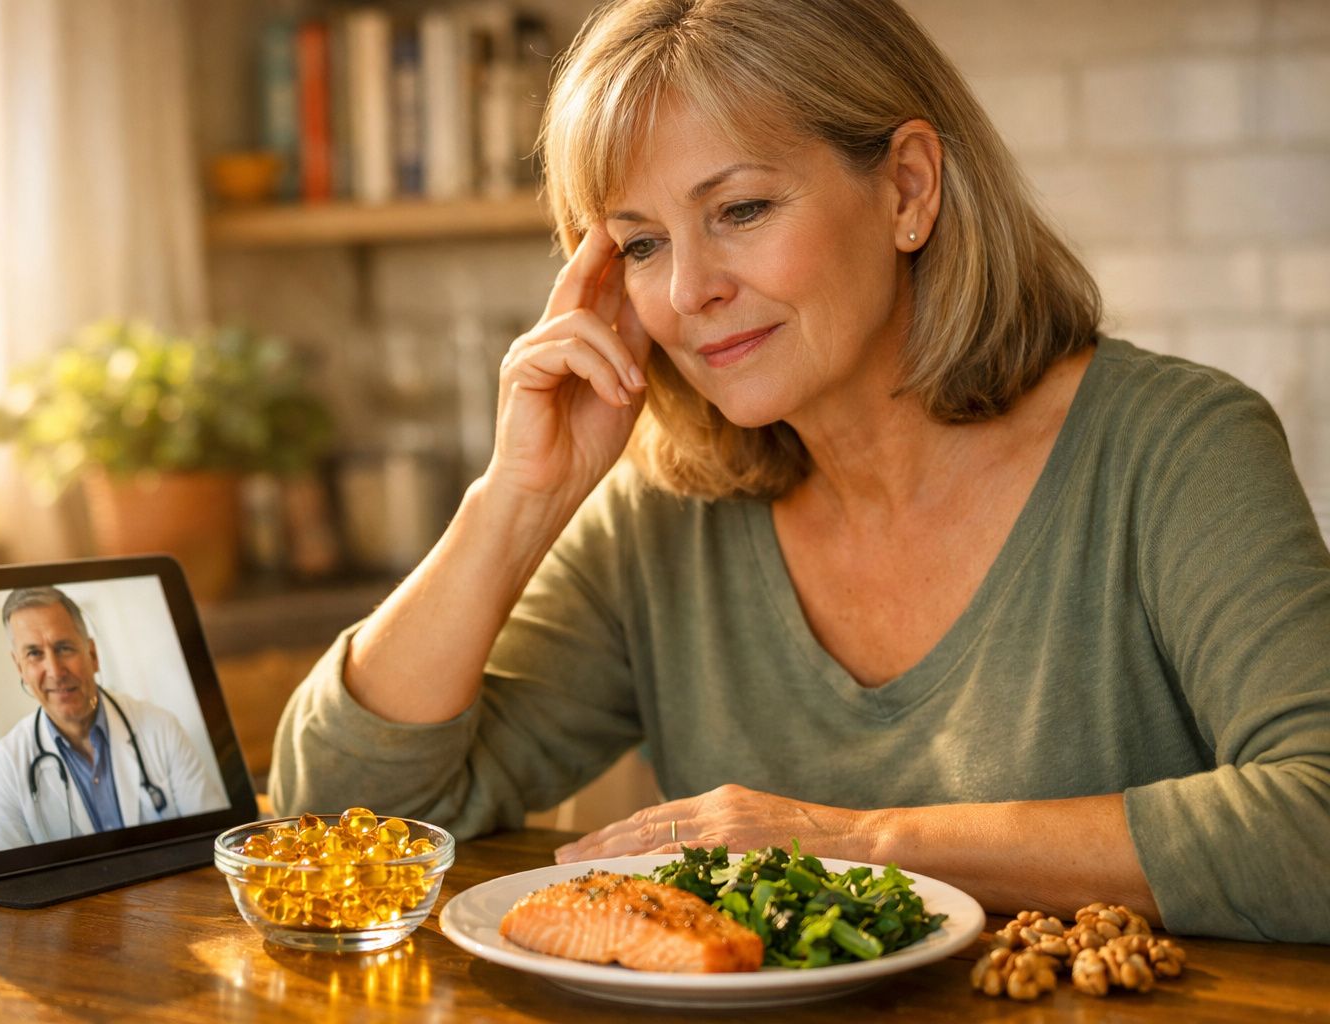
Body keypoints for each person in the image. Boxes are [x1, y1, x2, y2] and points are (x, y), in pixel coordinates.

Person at [270, 0, 1330, 942]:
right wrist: (516, 502)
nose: (688, 291)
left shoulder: (1176, 447)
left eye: (740, 211)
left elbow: (1316, 822)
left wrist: (853, 842)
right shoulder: (661, 517)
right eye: (640, 245)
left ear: (908, 188)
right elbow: (332, 823)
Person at [0, 586, 227, 854]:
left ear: (93, 655)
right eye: (34, 654)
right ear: (20, 668)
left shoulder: (160, 728)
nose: (55, 671)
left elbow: (217, 843)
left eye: (64, 648)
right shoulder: (5, 767)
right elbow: (3, 873)